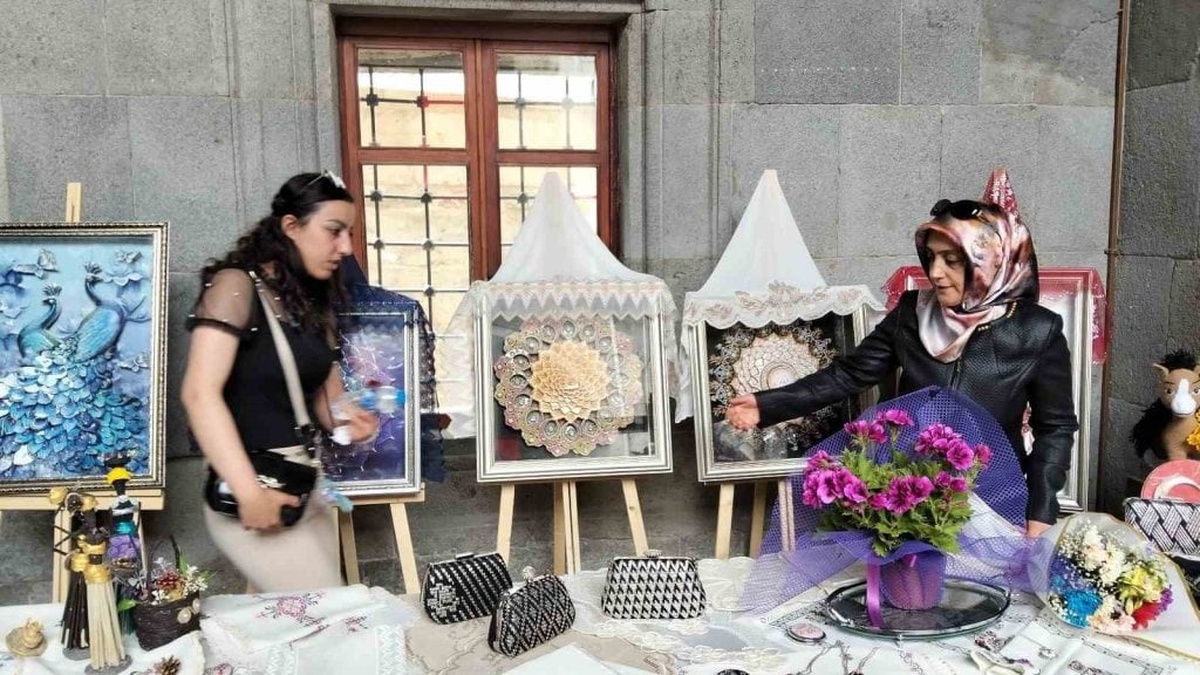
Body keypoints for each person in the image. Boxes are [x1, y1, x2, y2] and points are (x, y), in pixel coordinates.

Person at [726, 199, 1077, 537]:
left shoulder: (1038, 330)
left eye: (952, 260)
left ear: (990, 261)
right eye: (931, 258)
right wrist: (768, 404)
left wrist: (1041, 512)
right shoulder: (912, 313)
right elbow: (850, 374)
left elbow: (1055, 427)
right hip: (909, 496)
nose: (936, 273)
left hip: (996, 499)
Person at [181, 171, 378, 591]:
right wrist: (248, 492)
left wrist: (350, 423)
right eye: (334, 231)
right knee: (331, 622)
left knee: (291, 628)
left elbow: (328, 404)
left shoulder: (312, 298)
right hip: (255, 485)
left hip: (307, 485)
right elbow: (199, 394)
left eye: (349, 234)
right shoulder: (234, 286)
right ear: (291, 226)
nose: (345, 247)